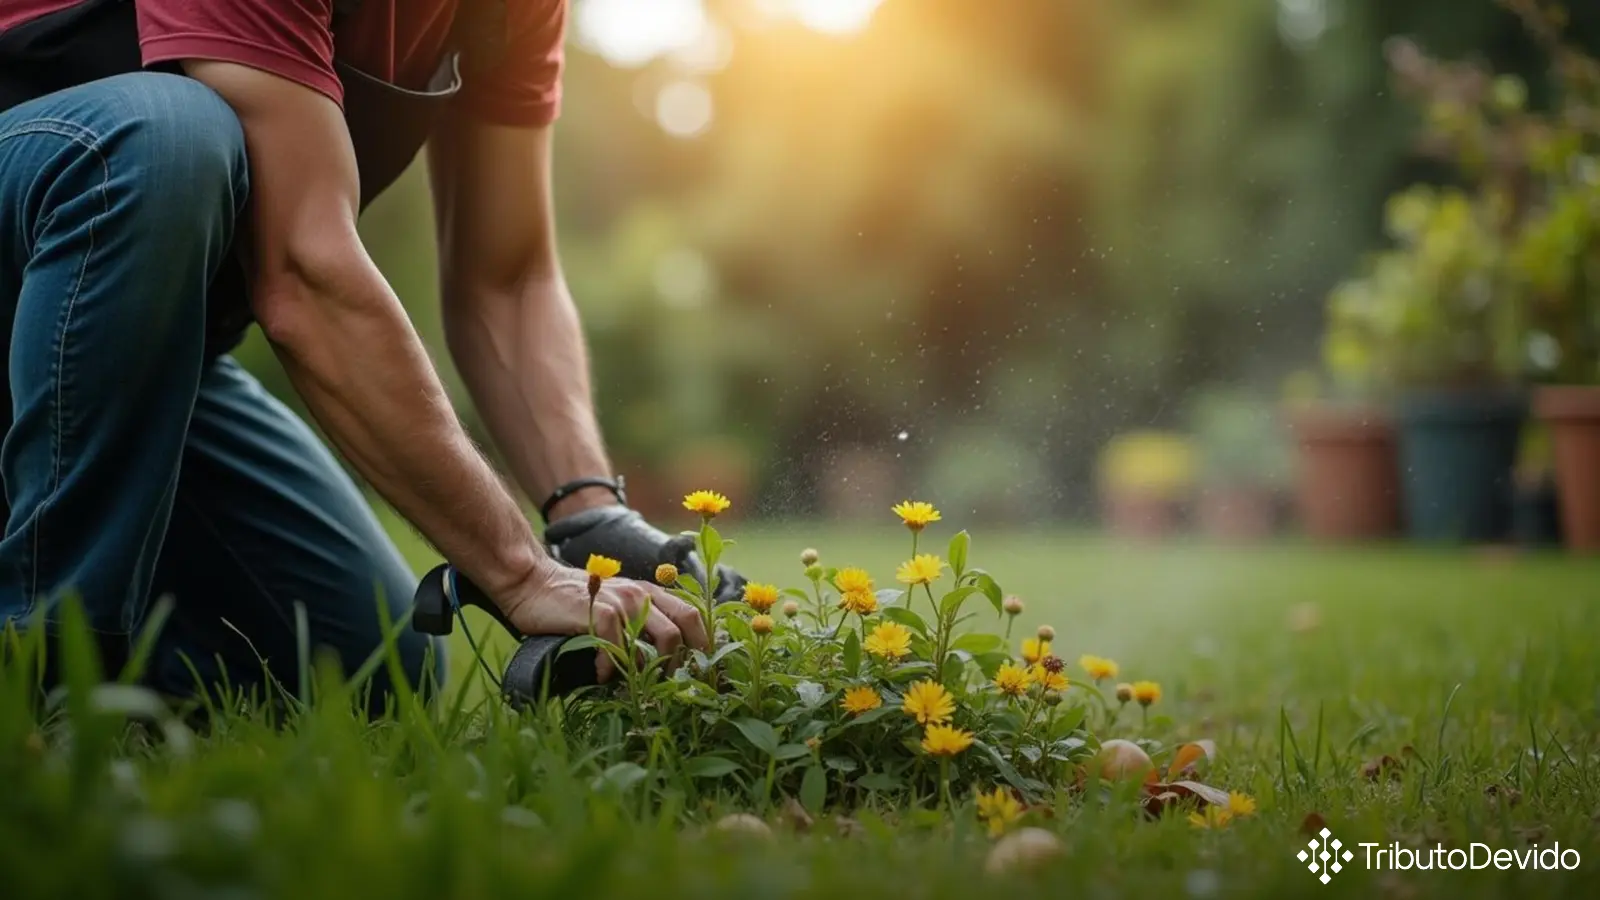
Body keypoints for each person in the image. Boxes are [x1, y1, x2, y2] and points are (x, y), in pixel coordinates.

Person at [0, 0, 743, 710]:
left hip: (148, 370)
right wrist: (517, 571)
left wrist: (588, 518)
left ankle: (142, 685)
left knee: (369, 662)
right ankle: (50, 687)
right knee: (165, 138)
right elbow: (305, 274)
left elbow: (507, 278)